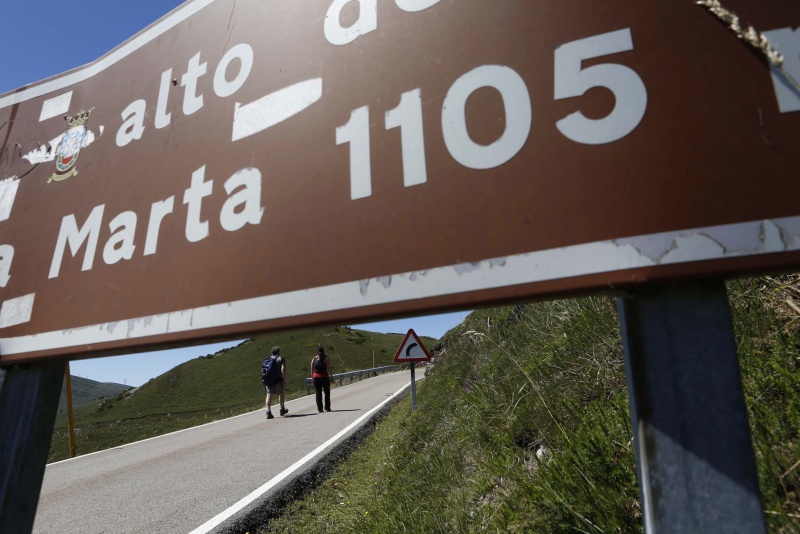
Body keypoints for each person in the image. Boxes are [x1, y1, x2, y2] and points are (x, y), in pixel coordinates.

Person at [264, 346, 288, 419]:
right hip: (277, 380)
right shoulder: (281, 359)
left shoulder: (267, 360)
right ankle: (282, 409)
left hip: (268, 381)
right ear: (279, 352)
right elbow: (282, 369)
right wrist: (284, 379)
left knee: (269, 395)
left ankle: (268, 412)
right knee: (281, 394)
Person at [311, 346, 332, 413]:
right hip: (324, 376)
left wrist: (312, 377)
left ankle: (320, 409)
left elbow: (312, 369)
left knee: (318, 393)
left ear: (317, 352)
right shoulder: (326, 358)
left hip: (316, 377)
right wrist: (331, 376)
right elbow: (328, 368)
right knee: (327, 392)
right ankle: (327, 407)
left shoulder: (314, 359)